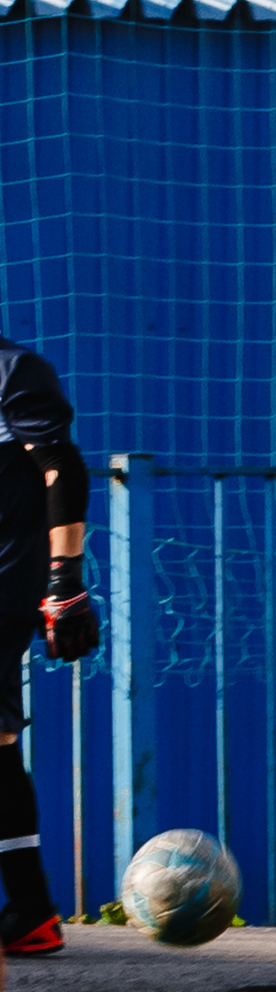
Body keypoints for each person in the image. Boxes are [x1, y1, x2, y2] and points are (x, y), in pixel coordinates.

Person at [0, 337, 99, 957]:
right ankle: (31, 911)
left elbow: (62, 467)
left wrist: (65, 582)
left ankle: (33, 910)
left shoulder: (14, 370)